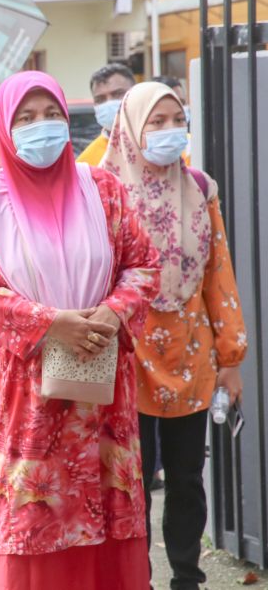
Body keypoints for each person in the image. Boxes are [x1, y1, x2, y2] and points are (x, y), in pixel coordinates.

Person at [0, 71, 161, 590]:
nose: (40, 127)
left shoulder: (103, 189)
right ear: (5, 128)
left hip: (101, 377)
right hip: (24, 390)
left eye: (51, 115)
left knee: (107, 504)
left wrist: (111, 313)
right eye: (25, 118)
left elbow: (144, 264)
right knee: (33, 509)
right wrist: (50, 323)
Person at [100, 82, 247, 590]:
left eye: (176, 119)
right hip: (127, 351)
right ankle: (133, 577)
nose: (170, 131)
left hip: (191, 351)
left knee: (186, 476)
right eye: (156, 122)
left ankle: (187, 576)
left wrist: (231, 357)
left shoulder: (201, 189)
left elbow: (218, 276)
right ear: (131, 129)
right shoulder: (104, 191)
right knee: (133, 479)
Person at [77, 63, 136, 165]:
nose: (109, 103)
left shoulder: (157, 144)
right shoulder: (87, 162)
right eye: (100, 99)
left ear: (136, 92)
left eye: (117, 94)